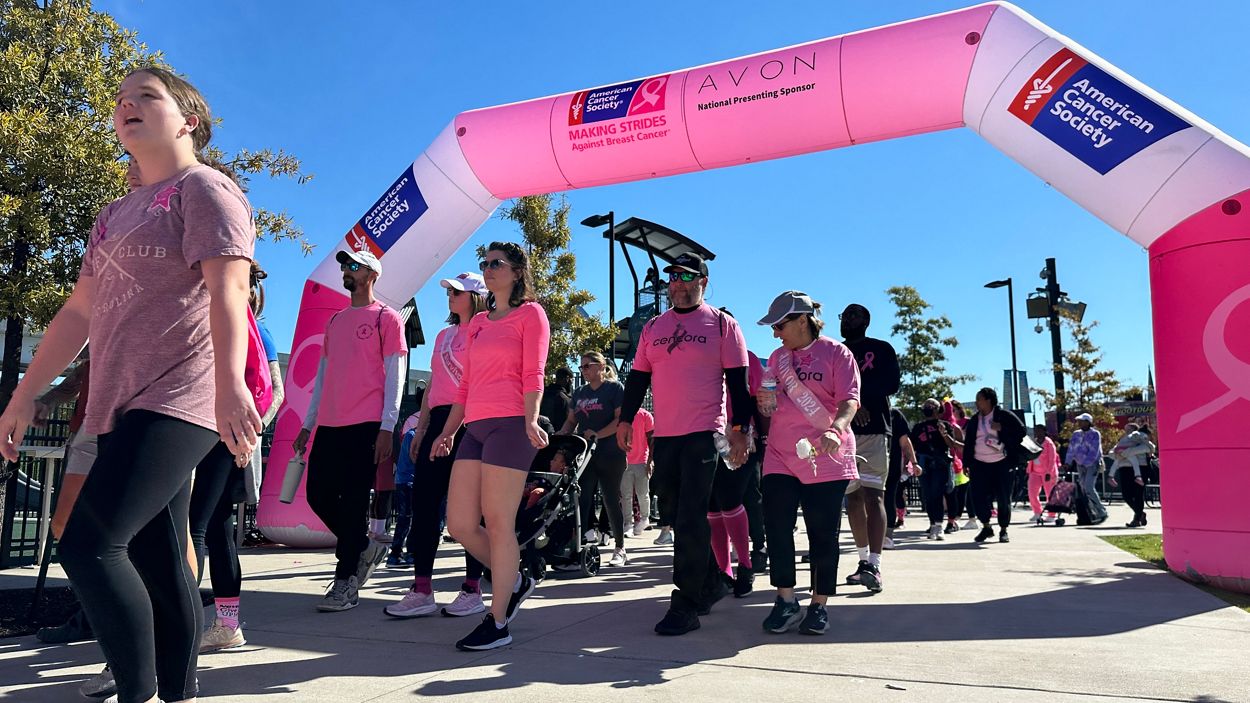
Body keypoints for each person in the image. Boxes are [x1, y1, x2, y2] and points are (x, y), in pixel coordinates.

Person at [0, 67, 260, 703]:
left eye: (147, 96)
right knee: (159, 558)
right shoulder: (113, 214)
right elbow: (78, 313)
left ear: (188, 121)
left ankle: (136, 693)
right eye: (120, 100)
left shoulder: (206, 189)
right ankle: (177, 692)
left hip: (180, 394)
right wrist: (25, 393)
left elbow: (229, 291)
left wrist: (231, 385)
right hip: (115, 401)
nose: (127, 106)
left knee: (89, 545)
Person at [616, 252, 754, 636]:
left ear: (703, 282)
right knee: (675, 514)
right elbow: (637, 379)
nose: (677, 284)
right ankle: (712, 580)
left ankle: (686, 603)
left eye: (687, 277)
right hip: (666, 435)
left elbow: (738, 384)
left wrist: (740, 429)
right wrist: (626, 420)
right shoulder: (653, 327)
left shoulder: (723, 325)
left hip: (704, 433)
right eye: (673, 277)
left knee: (692, 515)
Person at [430, 242, 551, 651]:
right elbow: (465, 384)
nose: (488, 268)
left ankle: (498, 622)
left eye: (497, 263)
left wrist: (531, 418)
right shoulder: (479, 322)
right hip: (474, 428)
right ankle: (513, 579)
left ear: (517, 271)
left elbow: (534, 372)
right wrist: (448, 431)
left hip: (511, 425)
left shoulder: (531, 314)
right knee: (460, 524)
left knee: (498, 522)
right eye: (485, 263)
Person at [293, 247, 406, 612]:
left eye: (354, 266)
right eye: (345, 265)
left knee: (355, 501)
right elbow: (323, 375)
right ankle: (363, 546)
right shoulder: (336, 320)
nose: (347, 270)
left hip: (367, 424)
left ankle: (345, 583)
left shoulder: (387, 318)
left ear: (371, 275)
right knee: (317, 495)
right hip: (330, 423)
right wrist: (308, 423)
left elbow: (396, 374)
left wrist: (387, 425)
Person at [191, 260, 286, 653]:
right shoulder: (220, 320)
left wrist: (249, 432)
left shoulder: (254, 328)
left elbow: (276, 391)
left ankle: (180, 626)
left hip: (220, 436)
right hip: (216, 433)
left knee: (197, 527)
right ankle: (226, 623)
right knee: (215, 527)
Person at [754, 291, 860, 635]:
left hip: (825, 453)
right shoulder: (777, 358)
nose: (775, 333)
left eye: (779, 325)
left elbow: (850, 400)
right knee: (777, 525)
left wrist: (836, 429)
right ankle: (785, 600)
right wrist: (765, 401)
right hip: (780, 454)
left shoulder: (837, 353)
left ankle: (819, 604)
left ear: (803, 320)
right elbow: (769, 400)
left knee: (822, 532)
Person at [385, 272, 488, 619]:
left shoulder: (486, 329)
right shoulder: (443, 336)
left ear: (476, 296)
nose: (450, 296)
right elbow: (432, 385)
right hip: (438, 422)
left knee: (470, 510)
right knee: (425, 503)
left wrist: (454, 429)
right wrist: (423, 427)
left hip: (471, 422)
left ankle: (472, 588)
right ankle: (422, 588)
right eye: (449, 291)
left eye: (457, 292)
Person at [839, 304, 900, 592]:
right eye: (844, 316)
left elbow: (891, 383)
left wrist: (858, 401)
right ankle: (862, 560)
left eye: (853, 315)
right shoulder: (835, 350)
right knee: (852, 498)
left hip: (874, 429)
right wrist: (849, 407)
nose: (846, 320)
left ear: (866, 320)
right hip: (842, 432)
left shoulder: (881, 348)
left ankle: (875, 565)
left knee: (874, 495)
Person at [561, 350, 629, 566]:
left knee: (610, 499)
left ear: (600, 366)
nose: (583, 370)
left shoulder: (614, 388)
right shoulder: (579, 393)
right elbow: (571, 421)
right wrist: (560, 435)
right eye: (581, 367)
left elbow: (620, 420)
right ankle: (578, 548)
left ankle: (619, 547)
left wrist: (597, 435)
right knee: (582, 498)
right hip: (586, 454)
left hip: (610, 452)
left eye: (587, 366)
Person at [961, 387, 1027, 543]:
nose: (977, 402)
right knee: (978, 496)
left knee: (1004, 497)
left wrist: (1002, 428)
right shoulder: (975, 420)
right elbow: (968, 442)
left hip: (1002, 462)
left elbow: (1021, 431)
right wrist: (966, 463)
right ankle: (986, 527)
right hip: (979, 463)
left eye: (979, 399)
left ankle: (1003, 529)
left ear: (988, 400)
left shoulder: (1003, 415)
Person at [910, 399, 964, 541]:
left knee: (937, 493)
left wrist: (944, 433)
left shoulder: (945, 425)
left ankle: (939, 525)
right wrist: (910, 463)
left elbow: (952, 445)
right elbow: (911, 446)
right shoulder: (918, 427)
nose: (928, 408)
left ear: (937, 409)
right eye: (926, 405)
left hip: (940, 464)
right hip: (923, 464)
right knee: (928, 495)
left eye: (931, 406)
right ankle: (933, 524)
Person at [1064, 412, 1108, 524]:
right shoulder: (1076, 434)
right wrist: (1068, 462)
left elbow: (1095, 450)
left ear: (1088, 422)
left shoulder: (1095, 434)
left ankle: (1102, 511)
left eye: (1082, 421)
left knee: (1089, 487)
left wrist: (1086, 462)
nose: (1079, 423)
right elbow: (1071, 448)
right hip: (1080, 464)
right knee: (1083, 489)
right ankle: (1092, 512)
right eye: (1079, 421)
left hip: (1092, 464)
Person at [883, 407, 917, 549]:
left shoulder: (895, 414)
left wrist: (914, 463)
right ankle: (874, 536)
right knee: (871, 500)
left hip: (892, 465)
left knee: (889, 497)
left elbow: (905, 441)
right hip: (868, 463)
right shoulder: (862, 410)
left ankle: (888, 535)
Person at [620, 406, 655, 537]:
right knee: (626, 495)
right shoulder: (621, 414)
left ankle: (644, 519)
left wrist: (650, 460)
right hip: (625, 461)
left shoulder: (645, 415)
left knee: (642, 493)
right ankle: (628, 524)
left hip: (642, 460)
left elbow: (652, 439)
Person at [1109, 425, 1153, 527]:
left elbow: (1149, 448)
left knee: (1138, 494)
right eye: (1126, 429)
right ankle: (1140, 513)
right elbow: (1112, 452)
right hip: (1124, 468)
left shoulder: (1141, 440)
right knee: (1126, 495)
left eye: (1129, 429)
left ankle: (1136, 519)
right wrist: (1117, 454)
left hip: (1141, 468)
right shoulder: (1123, 441)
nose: (1127, 431)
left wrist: (1125, 452)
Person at [1026, 424, 1060, 526]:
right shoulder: (1033, 442)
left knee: (1050, 493)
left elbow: (1052, 459)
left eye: (1039, 430)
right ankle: (1037, 512)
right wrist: (1029, 470)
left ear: (1044, 431)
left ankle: (1052, 515)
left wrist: (1049, 472)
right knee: (1032, 492)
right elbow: (1030, 456)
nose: (1037, 432)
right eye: (1036, 430)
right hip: (1035, 471)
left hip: (1047, 472)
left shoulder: (1049, 443)